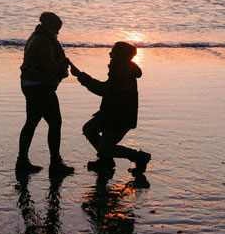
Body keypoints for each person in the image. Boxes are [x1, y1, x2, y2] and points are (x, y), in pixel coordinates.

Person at [68, 41, 151, 174]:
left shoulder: (122, 71)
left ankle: (139, 157)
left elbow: (104, 90)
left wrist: (80, 76)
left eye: (113, 52)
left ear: (120, 55)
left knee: (105, 148)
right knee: (89, 129)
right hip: (110, 114)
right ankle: (105, 161)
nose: (110, 53)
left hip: (119, 118)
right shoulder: (121, 68)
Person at [17, 12, 74, 175]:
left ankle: (22, 161)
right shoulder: (43, 41)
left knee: (32, 122)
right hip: (39, 86)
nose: (57, 32)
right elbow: (50, 67)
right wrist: (63, 62)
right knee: (55, 122)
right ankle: (55, 163)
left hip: (30, 84)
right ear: (49, 25)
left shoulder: (37, 36)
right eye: (56, 28)